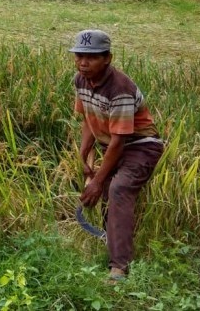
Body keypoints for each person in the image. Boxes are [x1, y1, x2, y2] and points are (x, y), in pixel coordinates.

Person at [69, 29, 164, 282]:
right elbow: (88, 120)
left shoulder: (119, 88)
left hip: (140, 146)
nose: (83, 63)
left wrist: (98, 181)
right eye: (79, 56)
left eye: (91, 57)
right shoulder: (80, 80)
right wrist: (84, 152)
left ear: (108, 58)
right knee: (106, 189)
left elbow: (120, 141)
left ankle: (119, 267)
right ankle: (111, 244)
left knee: (117, 189)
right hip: (111, 144)